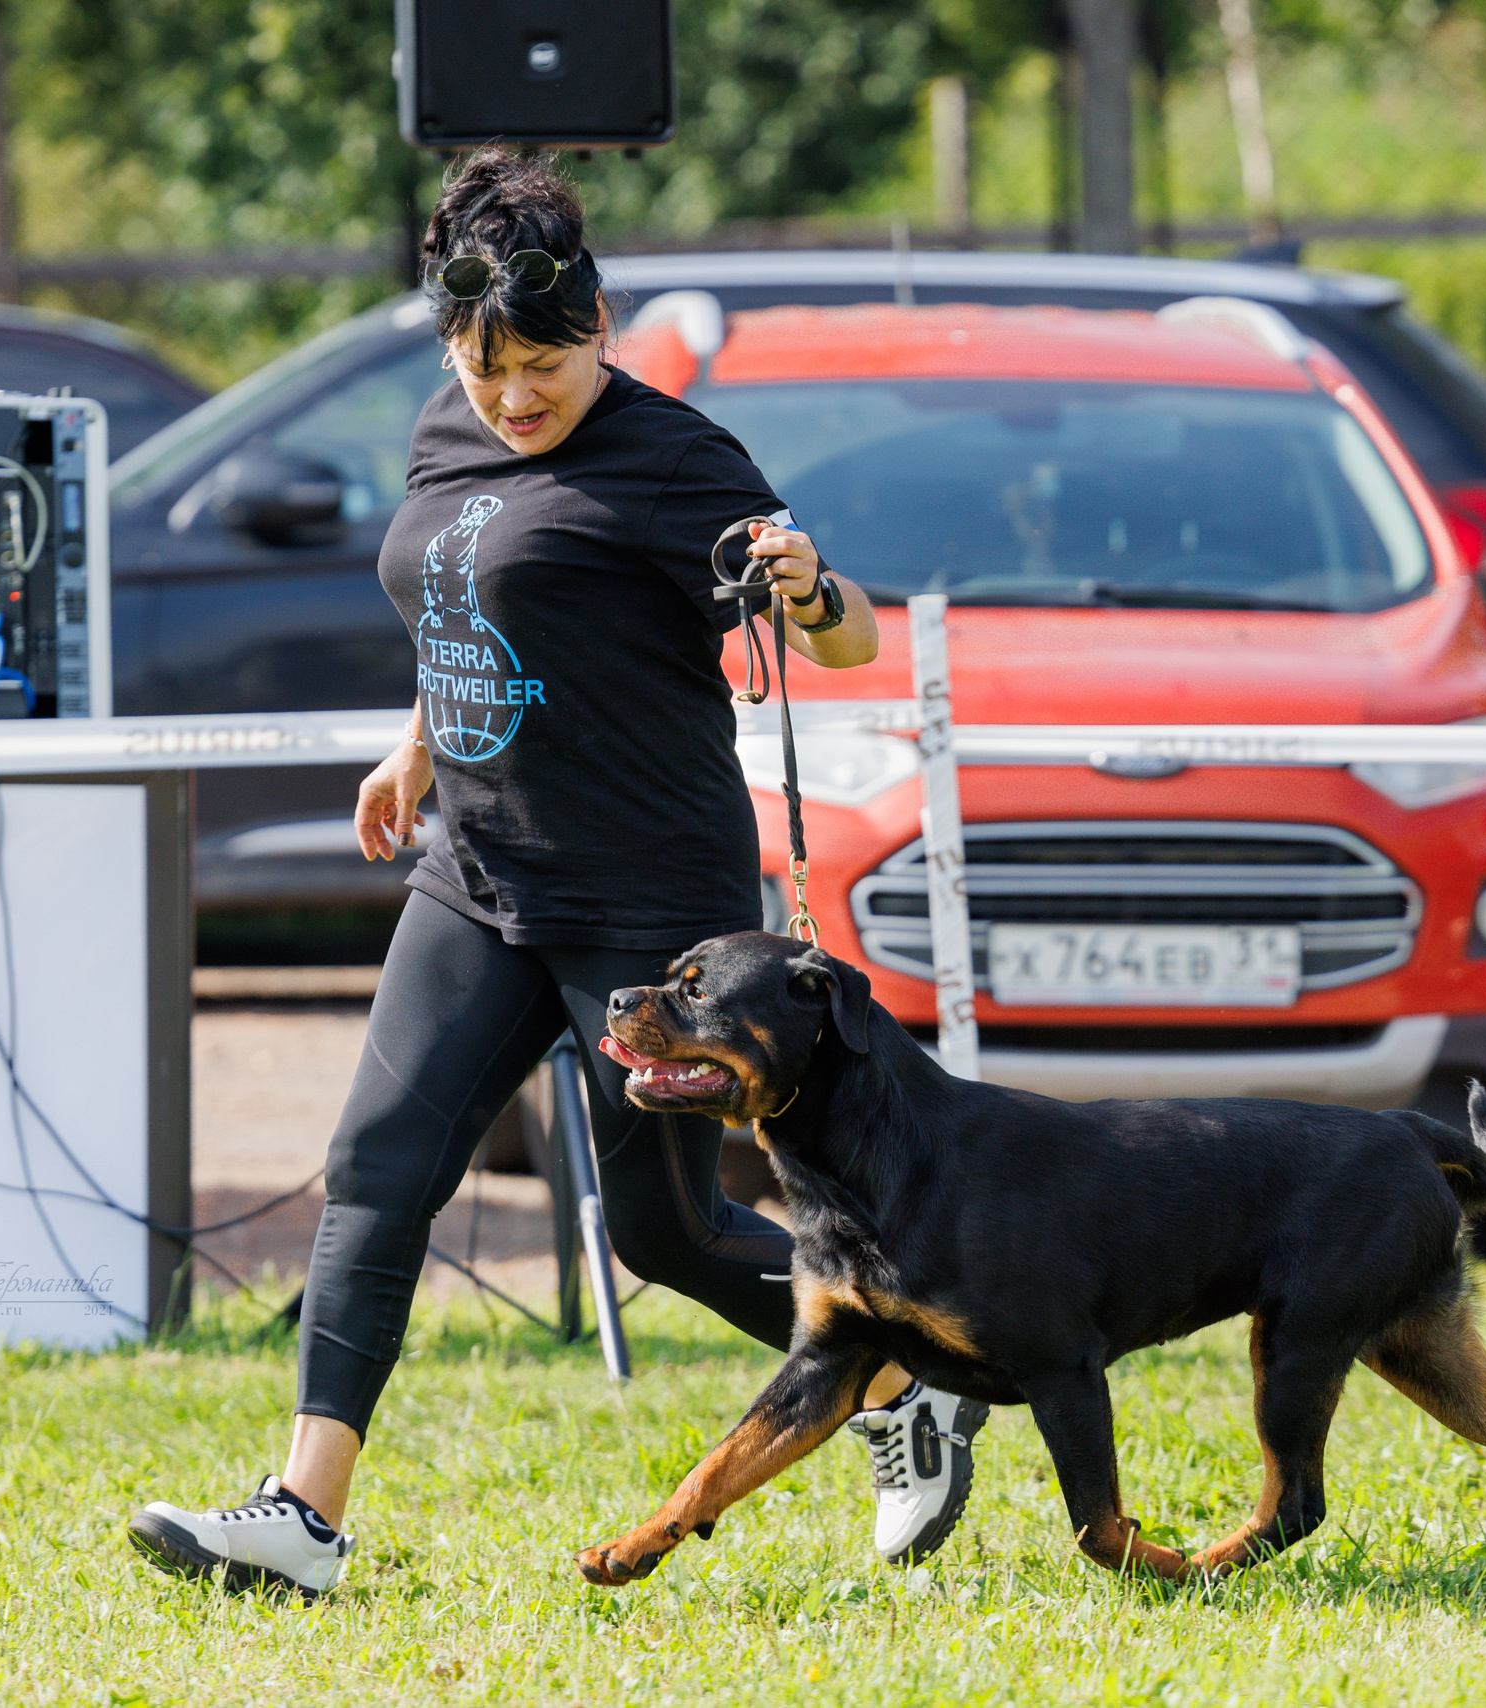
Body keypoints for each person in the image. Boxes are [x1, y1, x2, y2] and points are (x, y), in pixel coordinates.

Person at [127, 150, 986, 1600]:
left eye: (541, 364)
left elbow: (842, 639)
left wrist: (810, 587)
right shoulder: (443, 431)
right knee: (377, 1170)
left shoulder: (675, 461)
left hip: (644, 904)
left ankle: (905, 1381)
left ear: (598, 324)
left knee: (664, 1232)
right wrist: (419, 744)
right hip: (476, 874)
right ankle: (301, 1518)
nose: (513, 396)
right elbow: (457, 595)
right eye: (484, 369)